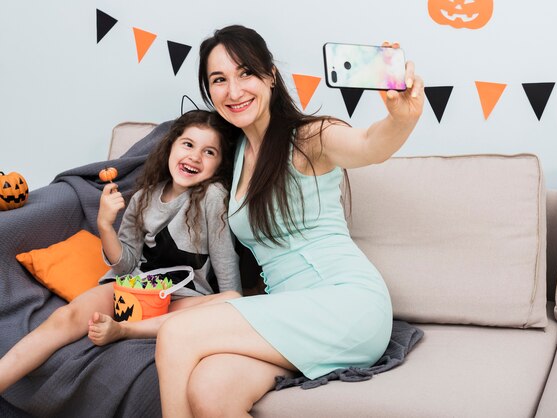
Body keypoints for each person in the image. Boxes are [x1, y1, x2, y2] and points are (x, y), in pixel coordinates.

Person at [154, 25, 424, 417]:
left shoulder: (309, 137)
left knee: (177, 334)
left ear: (270, 76)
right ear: (209, 91)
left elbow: (369, 145)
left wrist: (402, 119)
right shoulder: (237, 152)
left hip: (347, 304)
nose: (234, 90)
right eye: (219, 79)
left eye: (245, 72)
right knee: (210, 389)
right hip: (292, 314)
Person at [0, 110, 242, 394]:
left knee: (233, 299)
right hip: (131, 289)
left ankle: (124, 330)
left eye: (209, 151)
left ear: (220, 164)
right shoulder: (143, 197)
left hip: (177, 299)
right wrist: (104, 224)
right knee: (65, 318)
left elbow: (226, 262)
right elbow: (125, 264)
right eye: (188, 144)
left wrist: (235, 312)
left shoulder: (213, 197)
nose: (195, 156)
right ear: (171, 146)